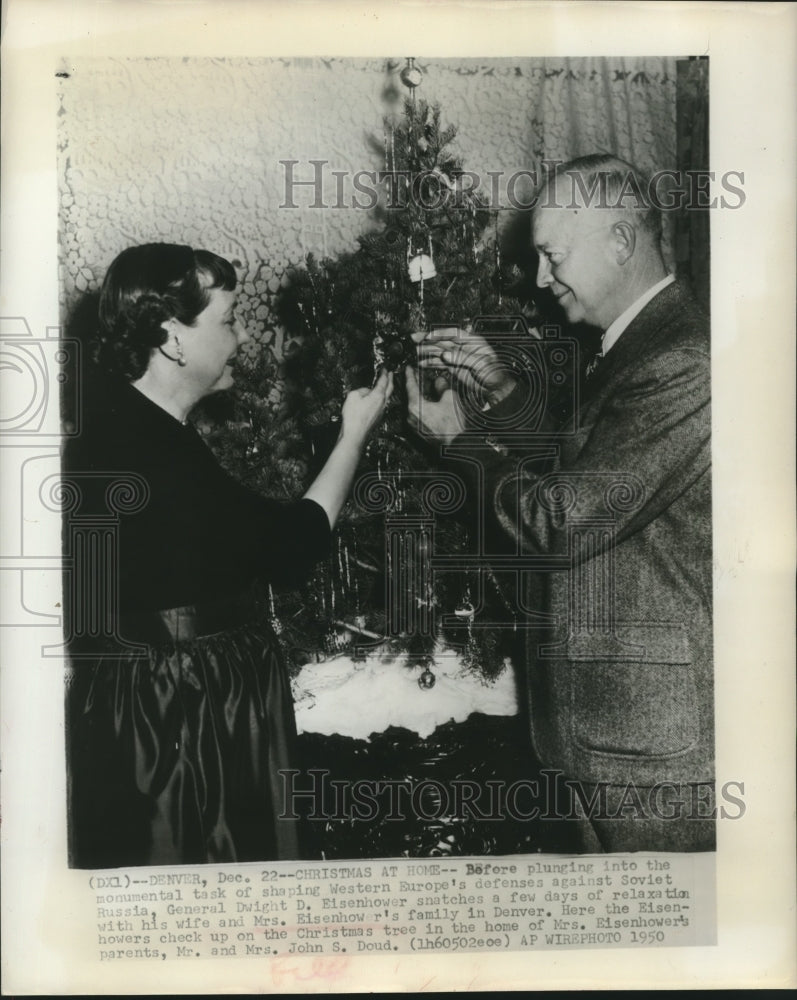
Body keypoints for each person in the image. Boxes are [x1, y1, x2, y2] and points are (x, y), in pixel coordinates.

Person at [407, 154, 713, 852]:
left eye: (552, 256)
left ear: (619, 241)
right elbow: (589, 473)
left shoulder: (682, 359)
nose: (542, 280)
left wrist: (459, 443)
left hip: (650, 753)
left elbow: (563, 519)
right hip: (615, 736)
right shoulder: (639, 343)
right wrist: (500, 388)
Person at [64, 243, 392, 868]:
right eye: (229, 319)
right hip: (185, 715)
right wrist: (353, 435)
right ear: (172, 338)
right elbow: (295, 543)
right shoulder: (157, 456)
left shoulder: (121, 425)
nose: (241, 337)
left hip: (151, 708)